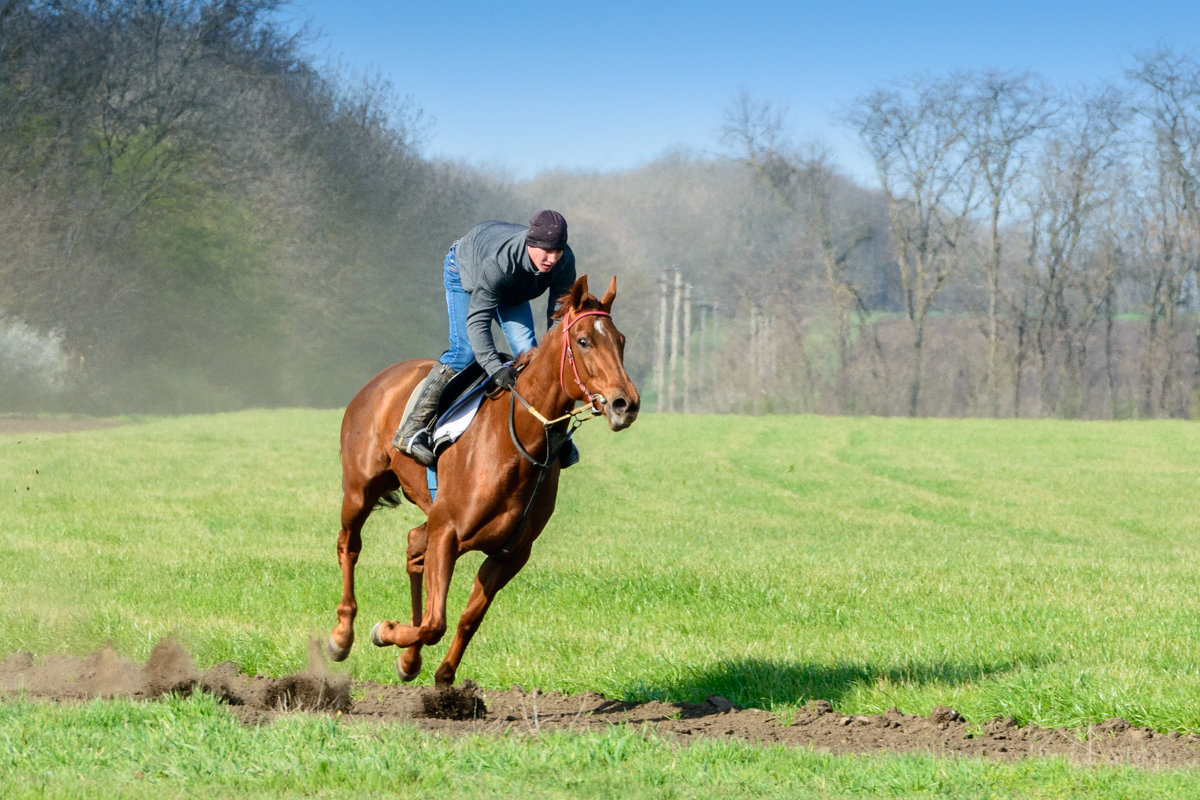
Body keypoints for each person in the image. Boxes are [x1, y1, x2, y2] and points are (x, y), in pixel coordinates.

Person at [394, 209, 579, 467]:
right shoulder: (500, 261)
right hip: (466, 270)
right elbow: (478, 321)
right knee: (465, 352)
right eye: (546, 251)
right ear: (530, 243)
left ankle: (553, 432)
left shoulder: (564, 261)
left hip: (511, 290)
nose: (552, 259)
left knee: (531, 353)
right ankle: (411, 429)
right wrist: (494, 369)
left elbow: (558, 317)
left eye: (557, 251)